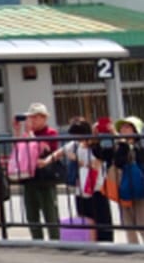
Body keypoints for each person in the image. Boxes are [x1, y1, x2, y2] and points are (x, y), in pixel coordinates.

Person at [14, 104, 62, 240]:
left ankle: (55, 240)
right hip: (29, 177)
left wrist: (30, 134)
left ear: (44, 118)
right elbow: (19, 149)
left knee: (50, 212)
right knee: (31, 213)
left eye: (35, 117)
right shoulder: (26, 133)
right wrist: (18, 131)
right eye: (30, 117)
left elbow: (41, 149)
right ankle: (37, 239)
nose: (32, 120)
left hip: (45, 177)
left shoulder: (51, 133)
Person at [70, 117, 114, 242]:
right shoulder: (75, 146)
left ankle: (106, 242)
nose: (77, 139)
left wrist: (97, 138)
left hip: (96, 187)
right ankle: (88, 240)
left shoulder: (97, 146)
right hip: (81, 188)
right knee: (85, 217)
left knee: (102, 218)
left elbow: (98, 162)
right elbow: (63, 152)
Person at [112, 116, 143, 244]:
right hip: (123, 187)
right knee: (128, 221)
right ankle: (133, 247)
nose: (123, 130)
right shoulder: (119, 146)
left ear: (135, 130)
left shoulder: (139, 146)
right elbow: (117, 161)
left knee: (141, 220)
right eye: (122, 127)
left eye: (127, 127)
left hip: (139, 187)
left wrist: (125, 145)